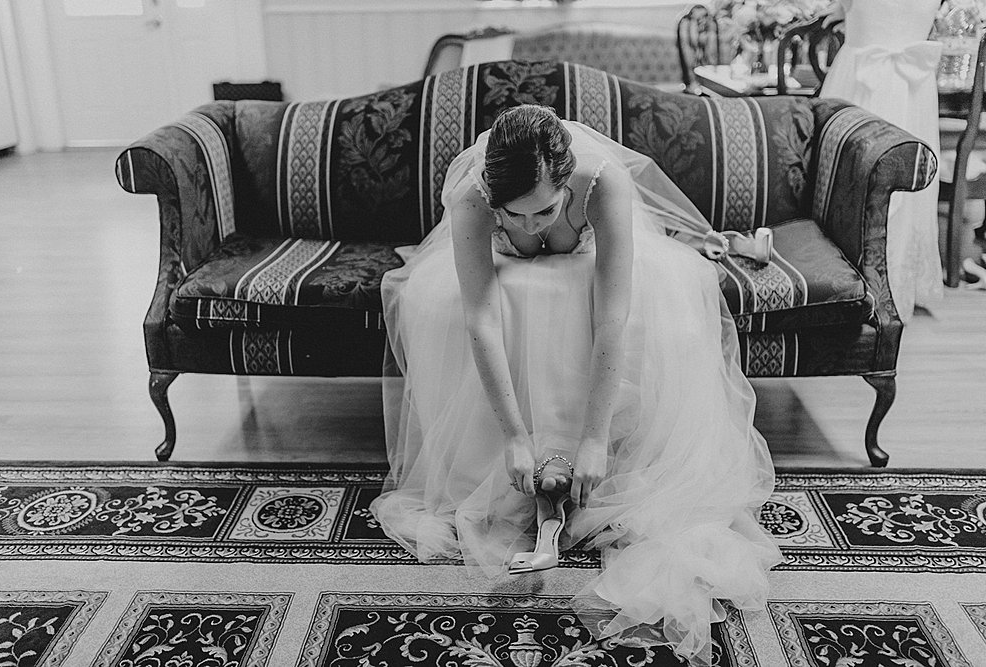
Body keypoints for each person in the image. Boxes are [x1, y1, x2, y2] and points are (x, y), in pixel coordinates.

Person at [370, 105, 781, 666]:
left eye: (545, 210)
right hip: (505, 287)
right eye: (515, 214)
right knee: (452, 305)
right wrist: (515, 435)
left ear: (568, 185)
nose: (532, 226)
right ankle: (503, 463)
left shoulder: (601, 184)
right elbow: (480, 319)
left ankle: (606, 456)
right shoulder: (472, 197)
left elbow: (614, 317)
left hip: (594, 275)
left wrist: (593, 438)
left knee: (650, 312)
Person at [819, 0, 944, 321]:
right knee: (845, 175)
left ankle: (893, 278)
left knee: (907, 179)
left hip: (908, 85)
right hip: (862, 81)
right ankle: (844, 278)